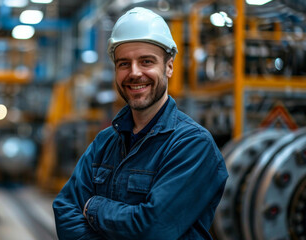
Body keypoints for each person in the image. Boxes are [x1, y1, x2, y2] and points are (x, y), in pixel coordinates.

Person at [52, 7, 229, 240]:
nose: (134, 73)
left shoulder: (193, 145)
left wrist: (94, 207)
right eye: (124, 64)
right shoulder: (104, 142)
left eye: (146, 61)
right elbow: (65, 209)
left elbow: (152, 228)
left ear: (169, 66)